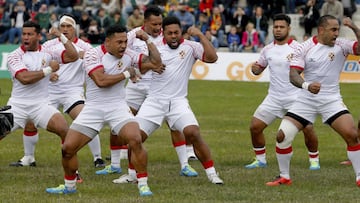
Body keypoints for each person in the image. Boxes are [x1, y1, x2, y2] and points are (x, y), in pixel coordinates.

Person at [46, 24, 163, 196]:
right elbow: (101, 81)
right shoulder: (93, 54)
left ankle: (143, 184)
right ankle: (69, 187)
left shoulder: (129, 55)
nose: (124, 46)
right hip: (93, 108)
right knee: (68, 149)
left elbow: (156, 63)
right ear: (107, 42)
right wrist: (126, 74)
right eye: (119, 42)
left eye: (125, 41)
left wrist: (147, 40)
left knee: (135, 139)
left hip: (118, 107)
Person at [117, 16, 224, 185]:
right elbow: (142, 69)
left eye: (176, 32)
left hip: (178, 101)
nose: (173, 36)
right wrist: (152, 66)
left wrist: (201, 36)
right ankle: (131, 175)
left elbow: (212, 58)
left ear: (181, 32)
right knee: (135, 138)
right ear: (163, 34)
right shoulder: (154, 48)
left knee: (193, 133)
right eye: (170, 33)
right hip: (154, 101)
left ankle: (212, 174)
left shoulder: (191, 46)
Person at [97, 5, 198, 179]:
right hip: (136, 86)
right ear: (145, 22)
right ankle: (114, 165)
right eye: (154, 24)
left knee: (173, 124)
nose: (158, 28)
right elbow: (118, 53)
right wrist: (143, 67)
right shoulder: (132, 36)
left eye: (160, 24)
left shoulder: (165, 37)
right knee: (119, 122)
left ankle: (185, 165)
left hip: (159, 88)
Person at [266, 15, 360, 187]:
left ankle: (359, 176)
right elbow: (293, 75)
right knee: (282, 136)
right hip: (305, 100)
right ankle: (284, 177)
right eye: (333, 30)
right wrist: (307, 86)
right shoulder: (305, 47)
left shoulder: (342, 44)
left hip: (331, 99)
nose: (336, 34)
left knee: (352, 134)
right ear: (321, 30)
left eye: (338, 30)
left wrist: (354, 27)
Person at [10, 14, 106, 170]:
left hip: (72, 91)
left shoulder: (86, 47)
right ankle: (29, 157)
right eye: (63, 26)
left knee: (85, 119)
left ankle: (97, 157)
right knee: (30, 122)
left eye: (69, 26)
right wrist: (49, 73)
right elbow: (40, 63)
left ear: (75, 28)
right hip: (50, 91)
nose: (66, 29)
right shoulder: (49, 45)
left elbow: (93, 64)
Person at [246, 14, 320, 171]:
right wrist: (255, 69)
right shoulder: (267, 49)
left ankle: (314, 159)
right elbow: (259, 67)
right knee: (255, 127)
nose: (278, 30)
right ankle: (260, 160)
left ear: (289, 29)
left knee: (308, 128)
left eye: (282, 27)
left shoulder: (298, 48)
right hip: (274, 98)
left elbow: (311, 66)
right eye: (276, 27)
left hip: (296, 98)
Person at [6, 21, 78, 169]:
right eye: (24, 34)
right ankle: (28, 157)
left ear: (39, 36)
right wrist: (48, 70)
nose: (26, 37)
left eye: (30, 34)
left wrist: (61, 37)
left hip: (41, 105)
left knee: (64, 129)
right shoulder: (14, 56)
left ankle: (72, 173)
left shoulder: (48, 53)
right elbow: (24, 78)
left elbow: (73, 56)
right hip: (17, 106)